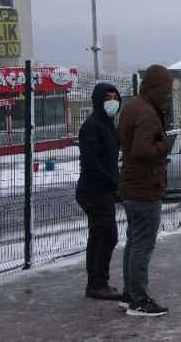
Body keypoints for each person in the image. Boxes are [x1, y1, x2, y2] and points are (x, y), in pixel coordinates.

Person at [117, 64, 173, 316]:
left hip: (131, 185)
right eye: (167, 90)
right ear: (158, 88)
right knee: (142, 245)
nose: (168, 96)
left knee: (133, 242)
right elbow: (141, 151)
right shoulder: (148, 113)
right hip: (144, 187)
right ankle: (139, 300)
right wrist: (164, 147)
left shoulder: (131, 106)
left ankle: (129, 295)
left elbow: (124, 143)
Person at [76, 83, 122, 300]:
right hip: (93, 190)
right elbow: (91, 163)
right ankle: (98, 284)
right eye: (107, 98)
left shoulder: (108, 125)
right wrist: (113, 182)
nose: (112, 101)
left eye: (114, 97)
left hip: (101, 189)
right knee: (108, 235)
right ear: (98, 101)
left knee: (97, 235)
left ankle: (94, 284)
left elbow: (110, 159)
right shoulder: (92, 126)